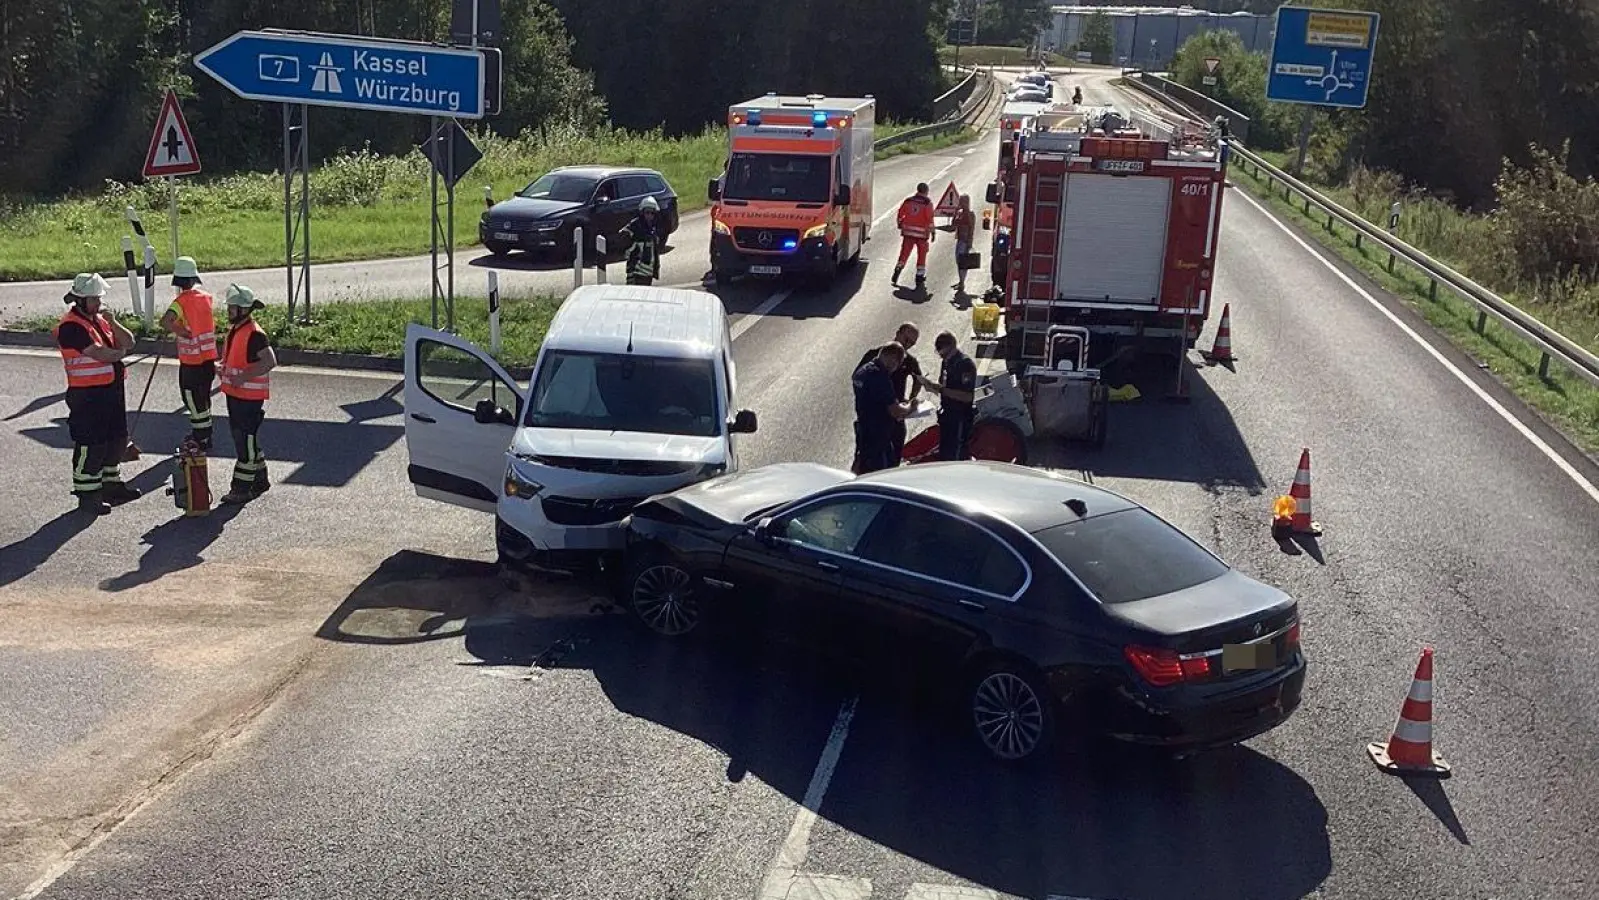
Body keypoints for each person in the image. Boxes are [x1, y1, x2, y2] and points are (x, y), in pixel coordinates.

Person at [53, 273, 140, 514]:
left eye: (99, 298)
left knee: (116, 440)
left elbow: (130, 342)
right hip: (87, 395)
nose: (99, 303)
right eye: (94, 299)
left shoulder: (100, 320)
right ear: (80, 300)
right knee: (91, 444)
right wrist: (120, 353)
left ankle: (110, 485)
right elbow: (101, 354)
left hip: (110, 390)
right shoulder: (70, 326)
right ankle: (87, 494)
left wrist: (114, 323)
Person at [217, 284, 278, 504]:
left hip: (248, 399)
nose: (229, 311)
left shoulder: (254, 334)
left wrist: (243, 377)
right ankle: (260, 480)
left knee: (245, 442)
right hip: (236, 395)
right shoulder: (237, 330)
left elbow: (270, 361)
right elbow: (237, 360)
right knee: (246, 439)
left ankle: (241, 489)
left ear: (243, 309)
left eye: (232, 308)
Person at [159, 256, 218, 449]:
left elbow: (166, 321)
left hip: (191, 363)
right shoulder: (206, 298)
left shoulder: (180, 302)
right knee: (204, 398)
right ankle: (206, 434)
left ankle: (200, 437)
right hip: (208, 360)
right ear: (194, 279)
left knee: (192, 400)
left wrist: (182, 331)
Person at [856, 323, 924, 463]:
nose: (908, 345)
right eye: (906, 340)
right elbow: (856, 378)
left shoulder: (909, 361)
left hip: (893, 419)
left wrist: (911, 397)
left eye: (912, 343)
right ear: (898, 333)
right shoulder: (875, 358)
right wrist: (912, 406)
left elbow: (919, 379)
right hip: (877, 420)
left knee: (893, 456)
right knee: (871, 461)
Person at [917, 331, 978, 462]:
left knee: (956, 454)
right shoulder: (946, 362)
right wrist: (931, 386)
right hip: (947, 414)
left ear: (952, 346)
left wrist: (943, 390)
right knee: (945, 451)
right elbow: (943, 384)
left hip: (960, 415)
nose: (941, 355)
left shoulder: (965, 365)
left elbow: (967, 396)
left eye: (943, 351)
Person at [891, 183, 935, 291]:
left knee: (904, 253)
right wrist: (933, 232)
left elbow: (900, 213)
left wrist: (900, 223)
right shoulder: (927, 203)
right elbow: (930, 220)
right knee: (921, 256)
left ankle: (899, 267)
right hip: (922, 236)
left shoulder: (908, 201)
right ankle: (919, 278)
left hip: (908, 233)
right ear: (926, 191)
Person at [621, 195, 663, 286]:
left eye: (652, 213)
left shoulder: (653, 228)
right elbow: (623, 237)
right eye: (647, 212)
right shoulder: (635, 226)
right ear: (642, 212)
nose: (649, 215)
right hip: (636, 271)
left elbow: (655, 252)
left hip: (648, 272)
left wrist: (656, 269)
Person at [952, 195, 977, 294]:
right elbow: (954, 224)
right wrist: (955, 212)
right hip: (960, 240)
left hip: (965, 241)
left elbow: (971, 228)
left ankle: (962, 283)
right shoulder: (960, 213)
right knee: (959, 262)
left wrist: (969, 242)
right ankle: (961, 281)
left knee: (963, 263)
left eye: (962, 202)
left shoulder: (970, 214)